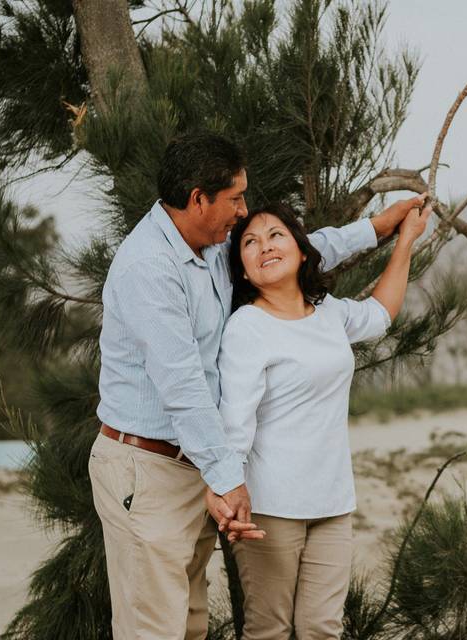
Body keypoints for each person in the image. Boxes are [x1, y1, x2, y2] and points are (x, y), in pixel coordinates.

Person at [88, 130, 424, 640]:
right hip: (146, 468)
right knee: (152, 630)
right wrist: (228, 478)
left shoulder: (207, 244)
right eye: (235, 199)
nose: (243, 212)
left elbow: (298, 249)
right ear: (199, 199)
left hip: (191, 465)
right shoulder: (149, 268)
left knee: (188, 625)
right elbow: (184, 388)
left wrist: (379, 227)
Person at [216, 199, 430, 640]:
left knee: (321, 630)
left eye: (276, 235)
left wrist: (404, 240)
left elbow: (380, 314)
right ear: (242, 270)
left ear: (300, 248)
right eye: (250, 243)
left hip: (332, 502)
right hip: (270, 507)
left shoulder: (328, 312)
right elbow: (235, 425)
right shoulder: (246, 327)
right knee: (268, 630)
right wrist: (227, 493)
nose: (265, 247)